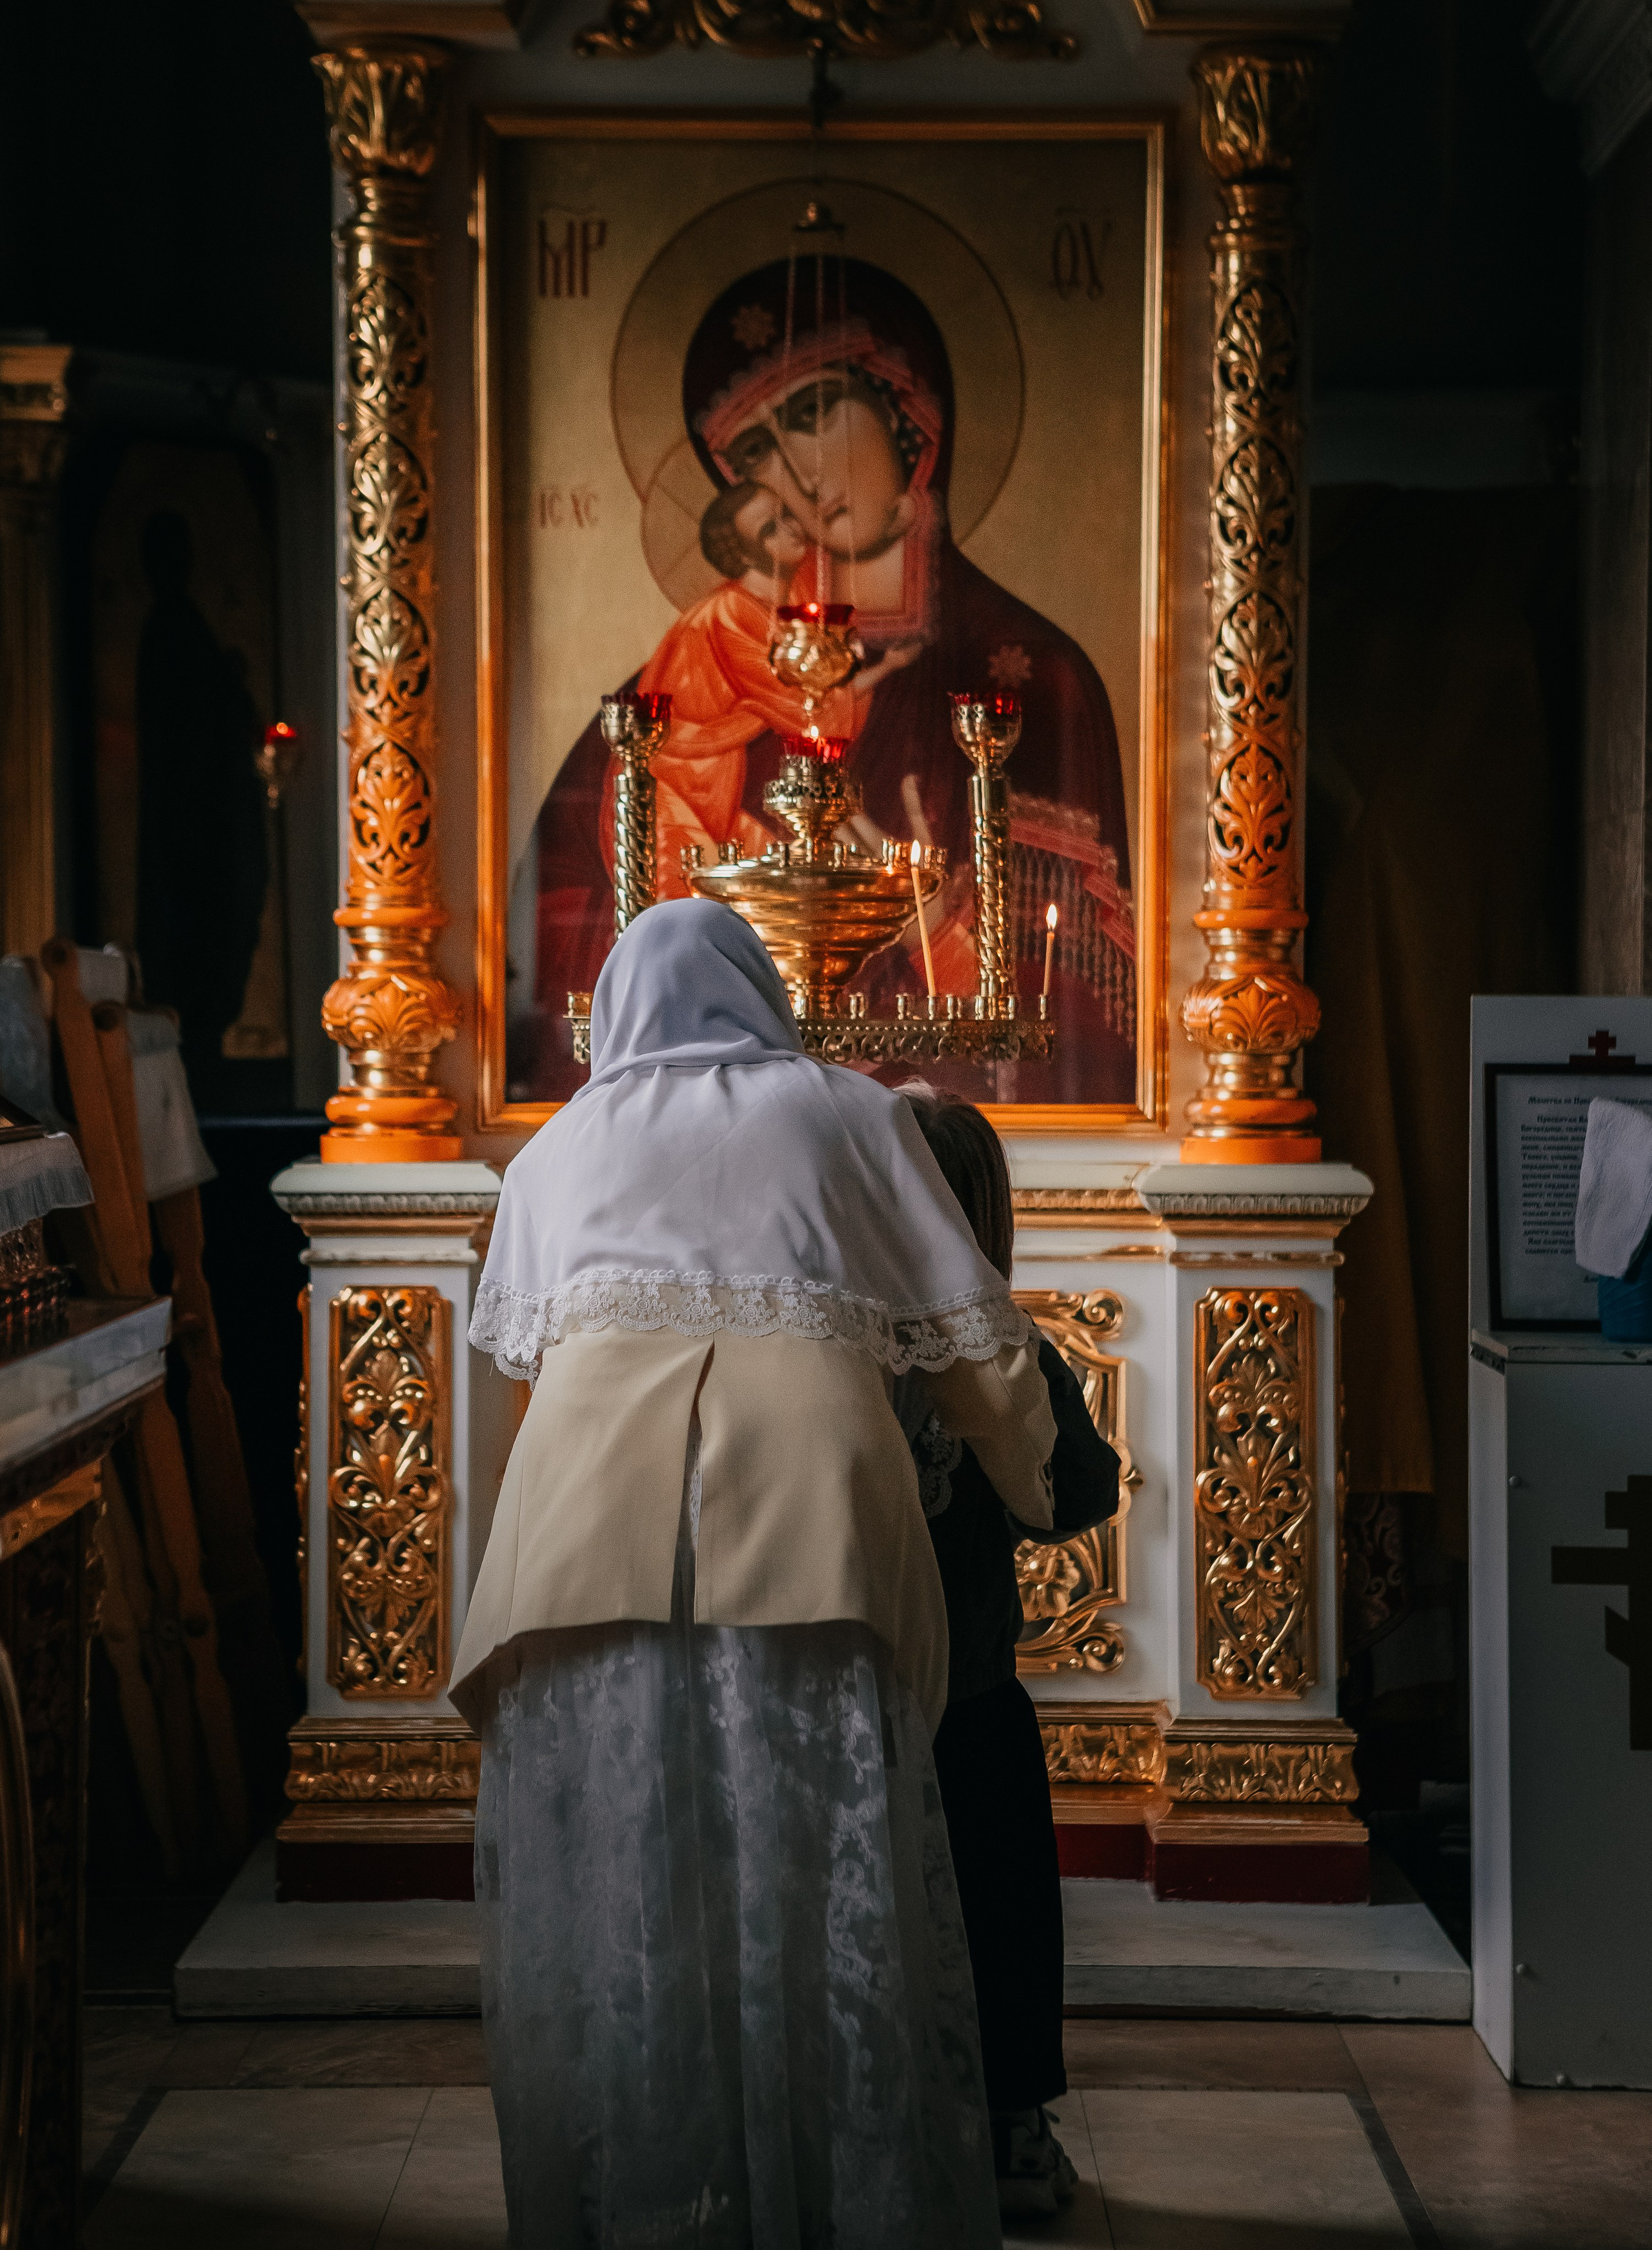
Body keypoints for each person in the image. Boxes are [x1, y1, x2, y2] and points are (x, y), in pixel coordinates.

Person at [454, 897, 1062, 2248]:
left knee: (628, 1877)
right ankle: (842, 2195)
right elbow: (972, 1328)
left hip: (582, 1547)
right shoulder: (849, 1112)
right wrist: (1029, 1473)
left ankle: (646, 2198)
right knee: (815, 1865)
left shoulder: (556, 1148)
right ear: (762, 991)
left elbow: (524, 1359)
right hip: (812, 1537)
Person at [518, 258, 1135, 1107]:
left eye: (815, 413)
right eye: (755, 451)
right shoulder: (669, 701)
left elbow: (1088, 1014)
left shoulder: (1034, 680)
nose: (799, 475)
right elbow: (566, 956)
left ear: (910, 410)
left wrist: (932, 926)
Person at [898, 1087, 1120, 2220]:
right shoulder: (1004, 1346)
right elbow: (1076, 1493)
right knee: (1000, 1909)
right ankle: (1010, 2131)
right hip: (971, 1690)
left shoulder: (822, 1338)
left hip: (846, 1686)